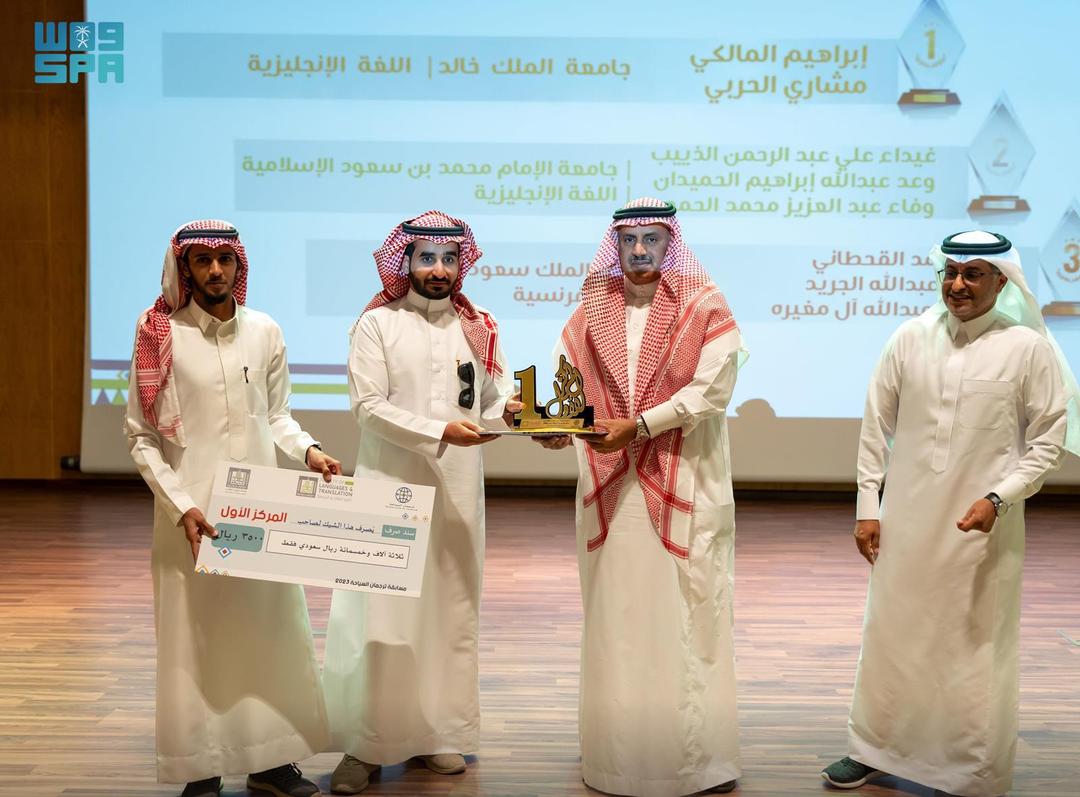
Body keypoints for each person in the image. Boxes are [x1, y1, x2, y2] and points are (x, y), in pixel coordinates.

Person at [822, 230, 1080, 796]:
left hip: (983, 525)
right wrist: (868, 507)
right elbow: (875, 429)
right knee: (891, 634)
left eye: (973, 274)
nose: (957, 285)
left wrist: (999, 499)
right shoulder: (909, 337)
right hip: (905, 520)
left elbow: (1047, 445)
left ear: (1001, 281)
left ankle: (970, 769)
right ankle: (872, 749)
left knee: (971, 644)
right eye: (951, 273)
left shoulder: (1027, 349)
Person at [537, 197, 747, 796]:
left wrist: (641, 426)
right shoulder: (589, 312)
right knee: (617, 615)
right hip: (611, 488)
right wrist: (556, 427)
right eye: (628, 240)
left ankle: (695, 762)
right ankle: (615, 760)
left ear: (670, 243)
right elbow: (568, 393)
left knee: (687, 614)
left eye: (651, 240)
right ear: (615, 245)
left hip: (686, 481)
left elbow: (711, 392)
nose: (638, 251)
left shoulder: (704, 306)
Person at [125, 219, 343, 797]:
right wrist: (181, 507)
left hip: (259, 515)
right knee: (196, 643)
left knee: (268, 638)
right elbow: (141, 437)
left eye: (225, 259)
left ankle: (271, 763)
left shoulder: (265, 330)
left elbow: (277, 416)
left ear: (239, 265)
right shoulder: (160, 335)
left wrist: (309, 452)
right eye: (203, 260)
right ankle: (201, 768)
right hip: (192, 518)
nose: (216, 270)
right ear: (185, 268)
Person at [323, 211, 519, 794]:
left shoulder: (479, 327)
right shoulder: (376, 324)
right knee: (380, 615)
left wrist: (512, 414)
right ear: (405, 261)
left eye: (449, 259)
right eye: (427, 258)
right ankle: (365, 745)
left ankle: (438, 733)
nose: (439, 270)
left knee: (449, 611)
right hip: (389, 485)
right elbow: (368, 407)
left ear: (462, 264)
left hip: (457, 489)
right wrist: (439, 431)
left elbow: (492, 400)